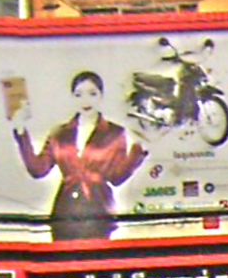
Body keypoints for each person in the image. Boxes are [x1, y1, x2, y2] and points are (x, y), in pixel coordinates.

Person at [12, 70, 148, 241]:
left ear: (101, 96)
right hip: (65, 215)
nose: (86, 100)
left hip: (99, 214)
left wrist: (138, 150)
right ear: (73, 98)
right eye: (79, 94)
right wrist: (21, 131)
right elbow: (38, 170)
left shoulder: (115, 132)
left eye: (92, 93)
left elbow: (117, 177)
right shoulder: (59, 133)